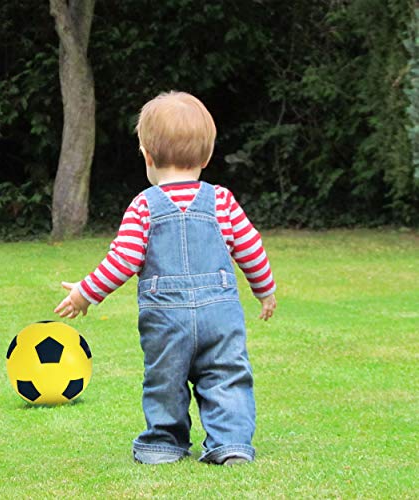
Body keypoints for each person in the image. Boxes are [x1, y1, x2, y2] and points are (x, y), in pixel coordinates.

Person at [54, 91, 277, 465]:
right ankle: (232, 442)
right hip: (220, 317)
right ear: (206, 157)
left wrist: (85, 294)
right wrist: (264, 290)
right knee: (227, 376)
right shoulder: (222, 201)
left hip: (165, 319)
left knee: (164, 380)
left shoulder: (143, 206)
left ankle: (163, 443)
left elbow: (121, 260)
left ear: (147, 156)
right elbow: (251, 248)